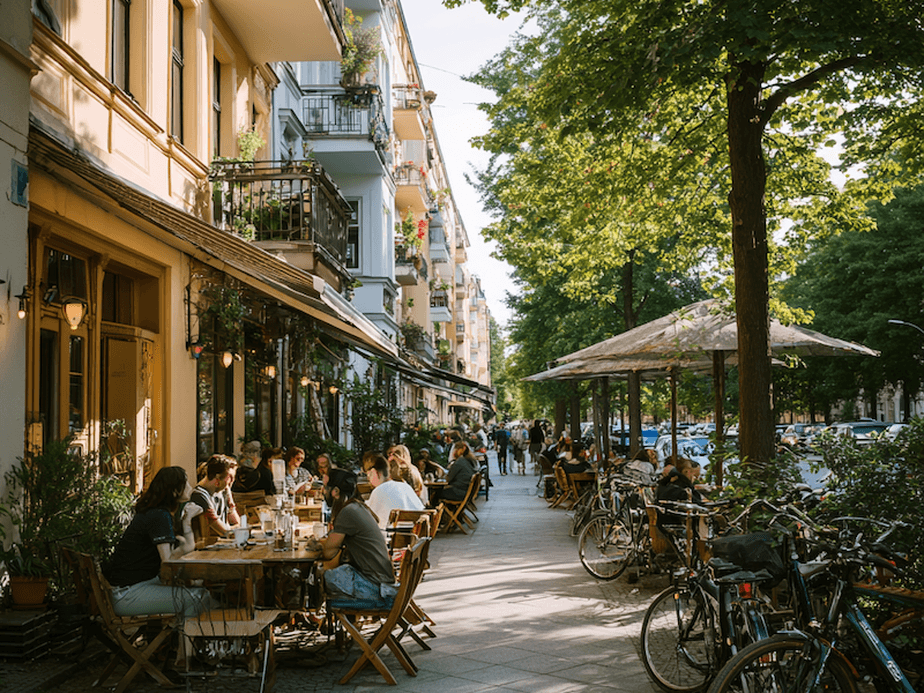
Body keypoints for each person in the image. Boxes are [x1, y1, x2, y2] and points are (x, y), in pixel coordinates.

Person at [104, 467, 214, 621]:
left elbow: (177, 554)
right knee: (197, 596)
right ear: (175, 491)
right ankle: (186, 642)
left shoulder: (156, 512)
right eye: (186, 483)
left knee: (200, 592)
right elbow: (168, 563)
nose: (190, 486)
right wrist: (183, 544)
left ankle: (180, 637)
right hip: (128, 594)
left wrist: (187, 521)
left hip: (133, 587)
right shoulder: (159, 516)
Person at [306, 469, 397, 607]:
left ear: (335, 491)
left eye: (325, 488)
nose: (323, 492)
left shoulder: (348, 512)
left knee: (320, 576)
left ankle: (310, 612)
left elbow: (329, 552)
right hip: (384, 583)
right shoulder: (357, 506)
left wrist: (318, 544)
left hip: (376, 589)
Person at [365, 453, 424, 529]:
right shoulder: (405, 486)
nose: (369, 480)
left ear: (374, 472)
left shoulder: (378, 491)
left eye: (369, 475)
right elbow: (421, 510)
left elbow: (368, 519)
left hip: (391, 536)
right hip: (415, 536)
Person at [190, 455, 240, 536]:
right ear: (217, 478)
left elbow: (236, 522)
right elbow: (223, 531)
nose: (232, 481)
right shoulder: (199, 495)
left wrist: (229, 496)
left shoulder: (223, 491)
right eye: (230, 477)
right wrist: (238, 528)